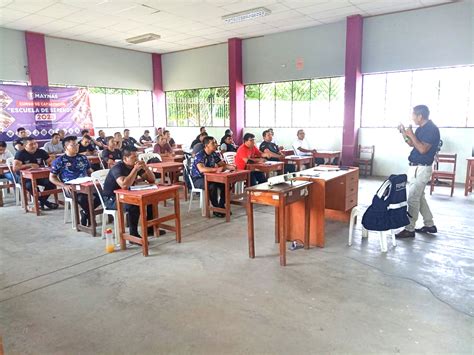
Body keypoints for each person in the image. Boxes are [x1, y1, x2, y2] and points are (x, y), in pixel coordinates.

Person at [395, 105, 440, 239]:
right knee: (419, 197)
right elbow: (411, 143)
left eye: (413, 115)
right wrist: (404, 132)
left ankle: (409, 229)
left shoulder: (431, 129)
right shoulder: (421, 129)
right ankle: (429, 224)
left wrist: (411, 134)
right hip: (415, 167)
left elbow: (422, 149)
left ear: (420, 116)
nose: (412, 117)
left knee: (413, 198)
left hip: (422, 168)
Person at [101, 147, 165, 239]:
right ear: (125, 159)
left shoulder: (134, 166)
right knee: (134, 204)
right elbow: (124, 185)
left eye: (137, 157)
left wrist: (146, 168)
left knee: (151, 199)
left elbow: (152, 179)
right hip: (112, 198)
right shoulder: (117, 168)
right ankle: (133, 234)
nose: (136, 159)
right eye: (133, 157)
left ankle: (150, 229)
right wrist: (135, 170)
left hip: (127, 194)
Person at [49, 136, 101, 226]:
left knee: (103, 195)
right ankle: (90, 217)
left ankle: (85, 213)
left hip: (86, 184)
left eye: (77, 144)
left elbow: (90, 171)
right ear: (66, 148)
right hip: (71, 187)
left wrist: (95, 178)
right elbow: (52, 177)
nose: (77, 146)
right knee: (82, 198)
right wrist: (63, 185)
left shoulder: (83, 158)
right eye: (73, 145)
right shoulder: (59, 161)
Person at [191, 136, 235, 218]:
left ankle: (221, 206)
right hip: (199, 178)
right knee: (212, 186)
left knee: (226, 184)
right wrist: (216, 170)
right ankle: (216, 208)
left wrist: (230, 167)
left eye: (215, 142)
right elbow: (201, 169)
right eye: (213, 143)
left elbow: (222, 164)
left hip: (212, 177)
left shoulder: (214, 154)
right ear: (207, 145)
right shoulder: (200, 155)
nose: (216, 145)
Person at [13, 137, 58, 210]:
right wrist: (29, 165)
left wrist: (54, 162)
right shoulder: (20, 153)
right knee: (30, 185)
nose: (34, 146)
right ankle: (46, 203)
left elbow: (50, 161)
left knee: (51, 182)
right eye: (31, 144)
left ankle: (41, 202)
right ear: (25, 146)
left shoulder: (41, 152)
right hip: (24, 178)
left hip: (38, 175)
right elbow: (15, 168)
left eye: (35, 143)